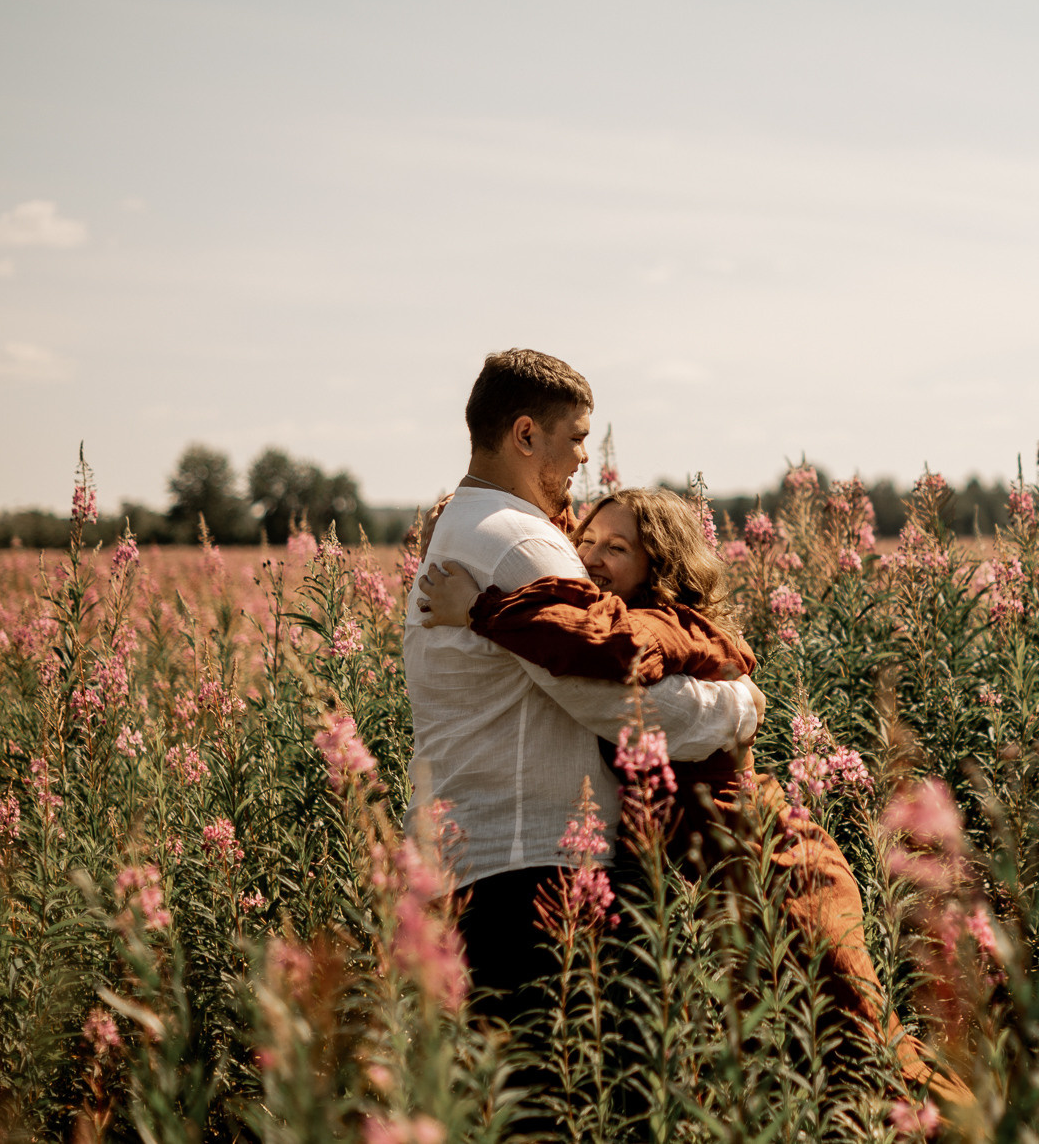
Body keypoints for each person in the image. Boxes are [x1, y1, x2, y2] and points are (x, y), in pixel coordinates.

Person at [417, 485, 942, 1090]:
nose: (590, 556)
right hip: (713, 879)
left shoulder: (665, 625)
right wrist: (470, 515)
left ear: (656, 567)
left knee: (867, 1055)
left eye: (618, 547)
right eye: (584, 541)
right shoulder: (608, 602)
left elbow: (600, 642)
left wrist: (482, 609)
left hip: (769, 864)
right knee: (784, 1072)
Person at [402, 350, 763, 1019]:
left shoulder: (468, 527)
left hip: (479, 866)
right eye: (574, 439)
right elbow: (622, 701)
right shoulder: (518, 543)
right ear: (525, 434)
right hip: (541, 869)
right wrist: (737, 706)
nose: (582, 462)